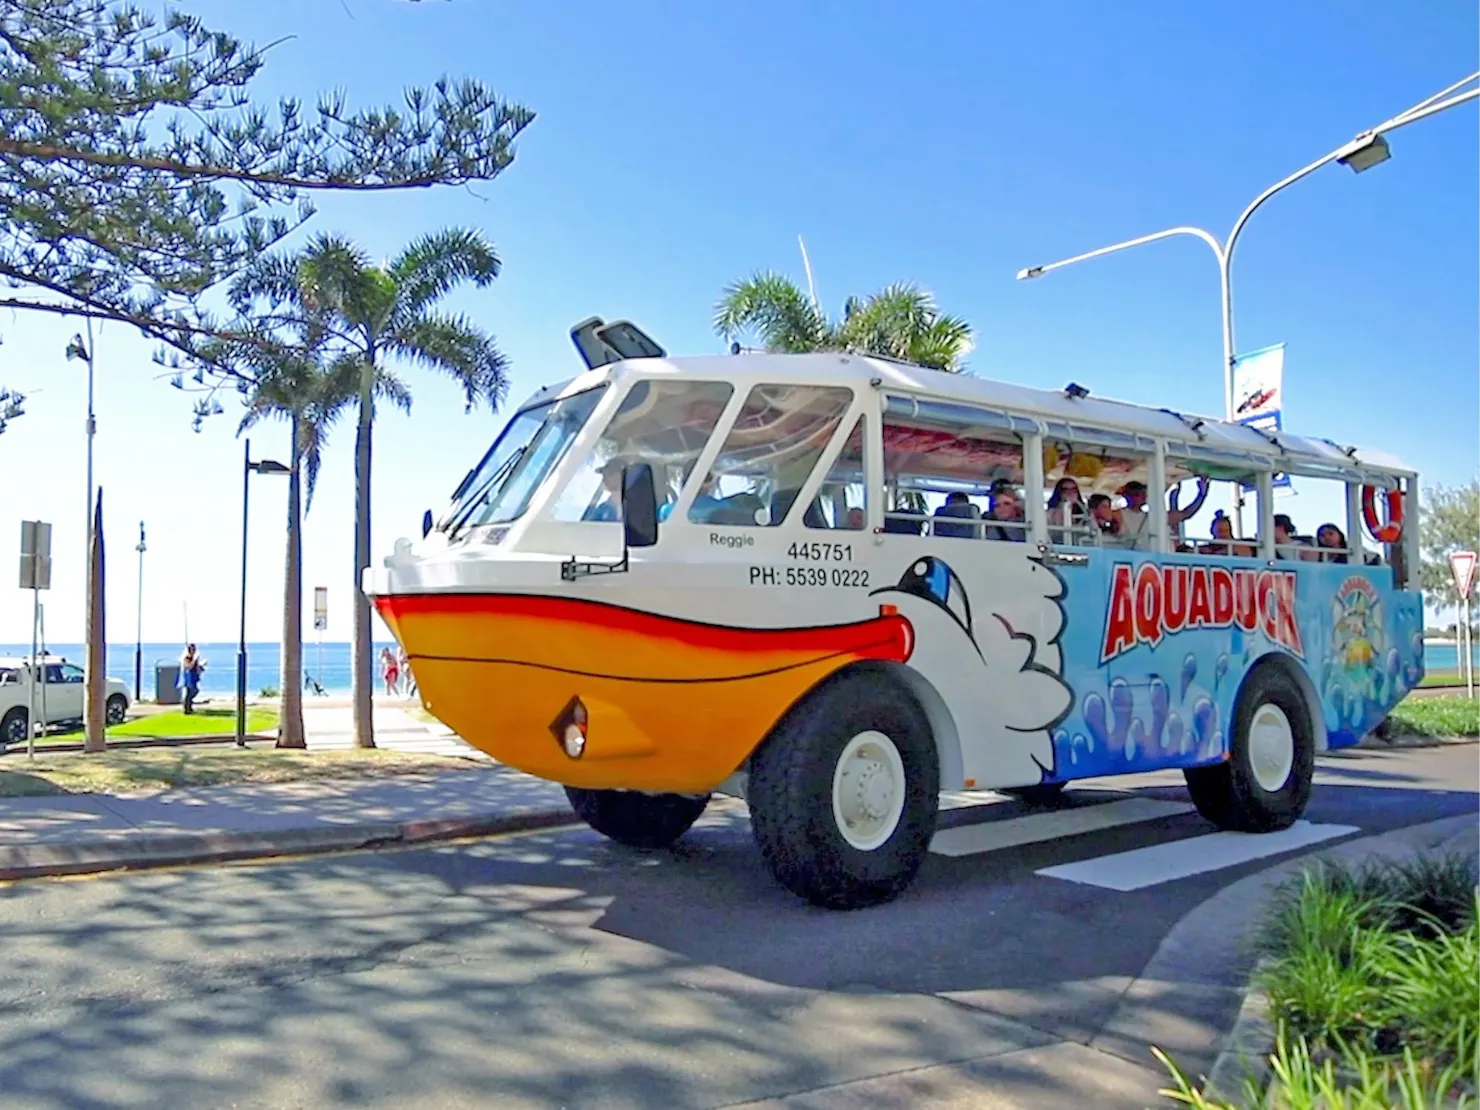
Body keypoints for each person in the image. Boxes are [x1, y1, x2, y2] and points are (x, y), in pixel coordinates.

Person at [1046, 477, 1087, 541]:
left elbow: (1093, 530)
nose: (1070, 492)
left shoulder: (1085, 512)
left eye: (1074, 489)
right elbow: (1052, 533)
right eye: (1065, 490)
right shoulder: (1051, 513)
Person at [177, 643, 205, 714]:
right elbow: (189, 666)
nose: (194, 651)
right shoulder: (186, 658)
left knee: (191, 691)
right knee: (191, 691)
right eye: (193, 649)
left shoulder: (192, 658)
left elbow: (196, 667)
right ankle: (187, 708)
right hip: (188, 677)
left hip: (193, 677)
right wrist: (194, 660)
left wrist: (201, 665)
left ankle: (189, 707)